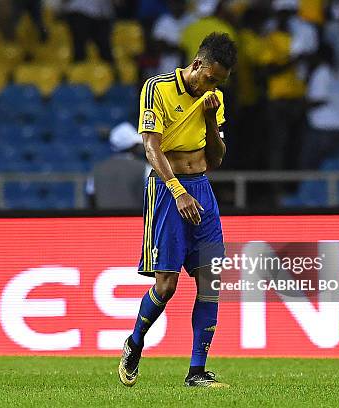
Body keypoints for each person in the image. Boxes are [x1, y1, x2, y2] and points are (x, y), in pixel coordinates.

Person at [118, 32, 237, 388]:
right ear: (197, 64)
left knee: (210, 280)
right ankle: (134, 343)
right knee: (166, 286)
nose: (211, 86)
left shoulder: (213, 99)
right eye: (210, 78)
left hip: (202, 188)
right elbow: (150, 146)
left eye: (218, 83)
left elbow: (215, 159)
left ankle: (197, 371)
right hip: (167, 191)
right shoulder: (157, 88)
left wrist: (210, 124)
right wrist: (177, 191)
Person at [87, 122, 150, 209]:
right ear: (133, 147)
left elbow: (91, 198)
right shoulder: (144, 168)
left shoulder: (97, 169)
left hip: (104, 220)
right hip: (134, 220)